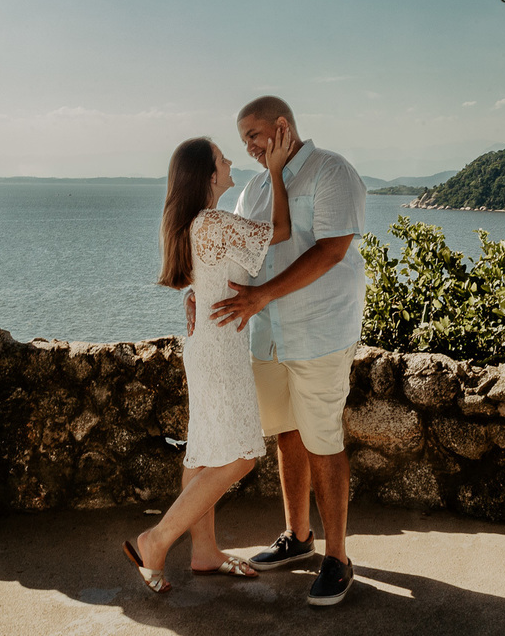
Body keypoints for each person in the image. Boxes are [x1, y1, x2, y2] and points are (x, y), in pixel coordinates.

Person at [200, 95, 367, 606]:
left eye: (253, 135)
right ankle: (298, 537)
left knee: (323, 439)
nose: (247, 146)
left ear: (281, 126)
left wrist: (262, 296)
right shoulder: (252, 188)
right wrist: (199, 293)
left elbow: (332, 249)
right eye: (243, 139)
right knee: (286, 434)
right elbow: (240, 253)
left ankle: (338, 558)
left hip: (319, 331)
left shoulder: (330, 171)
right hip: (267, 333)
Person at [124, 128, 293, 594]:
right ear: (208, 175)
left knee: (202, 451)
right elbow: (281, 232)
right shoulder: (214, 223)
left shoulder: (197, 225)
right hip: (219, 352)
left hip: (206, 347)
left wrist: (198, 297)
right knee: (240, 454)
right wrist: (276, 173)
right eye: (223, 158)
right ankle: (156, 540)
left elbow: (203, 281)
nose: (232, 162)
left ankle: (204, 552)